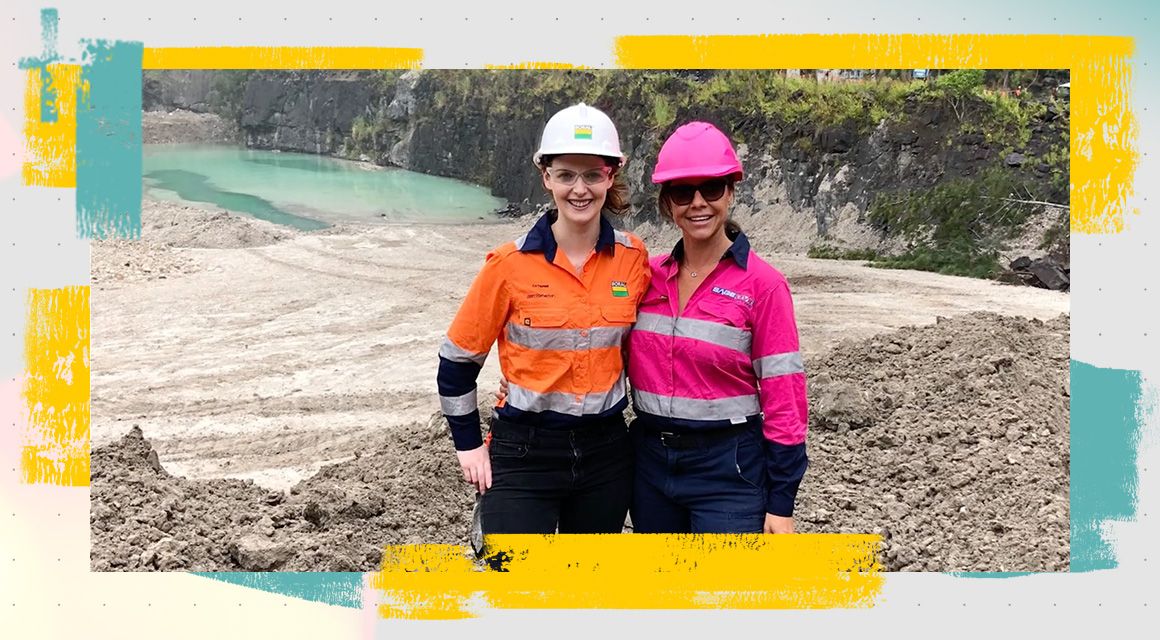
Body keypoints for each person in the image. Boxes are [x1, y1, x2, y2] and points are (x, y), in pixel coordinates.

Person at [437, 103, 650, 535]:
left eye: (593, 175)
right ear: (546, 177)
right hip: (524, 451)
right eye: (566, 175)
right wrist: (469, 446)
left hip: (606, 453)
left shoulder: (633, 258)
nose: (580, 189)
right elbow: (457, 362)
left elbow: (642, 348)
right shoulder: (508, 265)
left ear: (611, 176)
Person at [626, 121, 809, 534]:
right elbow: (601, 343)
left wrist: (782, 502)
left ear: (730, 192)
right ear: (667, 202)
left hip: (729, 471)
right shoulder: (646, 277)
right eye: (682, 192)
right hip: (650, 466)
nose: (698, 203)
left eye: (711, 188)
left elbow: (785, 398)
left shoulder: (764, 286)